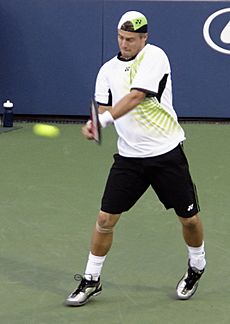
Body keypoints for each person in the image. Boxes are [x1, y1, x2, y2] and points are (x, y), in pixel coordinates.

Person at [65, 11, 206, 307]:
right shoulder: (106, 70)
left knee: (189, 220)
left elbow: (135, 97)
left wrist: (101, 122)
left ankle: (197, 265)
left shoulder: (155, 57)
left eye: (131, 39)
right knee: (105, 219)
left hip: (166, 154)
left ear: (144, 38)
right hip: (130, 159)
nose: (125, 43)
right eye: (121, 37)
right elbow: (102, 108)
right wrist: (95, 123)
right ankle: (92, 279)